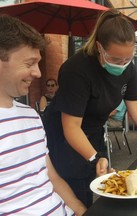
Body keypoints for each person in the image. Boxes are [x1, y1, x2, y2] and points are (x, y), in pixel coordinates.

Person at [42, 9, 137, 208]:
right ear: (99, 47)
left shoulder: (128, 68)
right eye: (116, 60)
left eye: (128, 59)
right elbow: (71, 127)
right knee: (74, 194)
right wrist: (95, 156)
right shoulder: (77, 69)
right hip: (63, 137)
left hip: (93, 132)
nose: (122, 65)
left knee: (92, 185)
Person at [0, 15, 86, 215]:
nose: (38, 73)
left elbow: (52, 178)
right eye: (30, 63)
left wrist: (82, 210)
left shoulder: (31, 116)